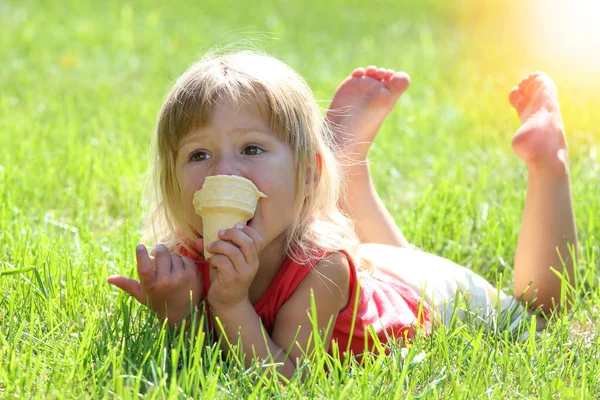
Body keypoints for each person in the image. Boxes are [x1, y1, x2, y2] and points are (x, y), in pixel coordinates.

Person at [107, 51, 577, 379]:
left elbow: (285, 381)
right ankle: (347, 157)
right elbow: (206, 355)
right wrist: (178, 311)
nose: (223, 171)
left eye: (251, 148)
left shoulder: (324, 271)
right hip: (373, 266)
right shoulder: (186, 255)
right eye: (198, 156)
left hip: (423, 294)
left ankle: (548, 164)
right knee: (389, 255)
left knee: (539, 311)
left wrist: (228, 305)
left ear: (307, 176)